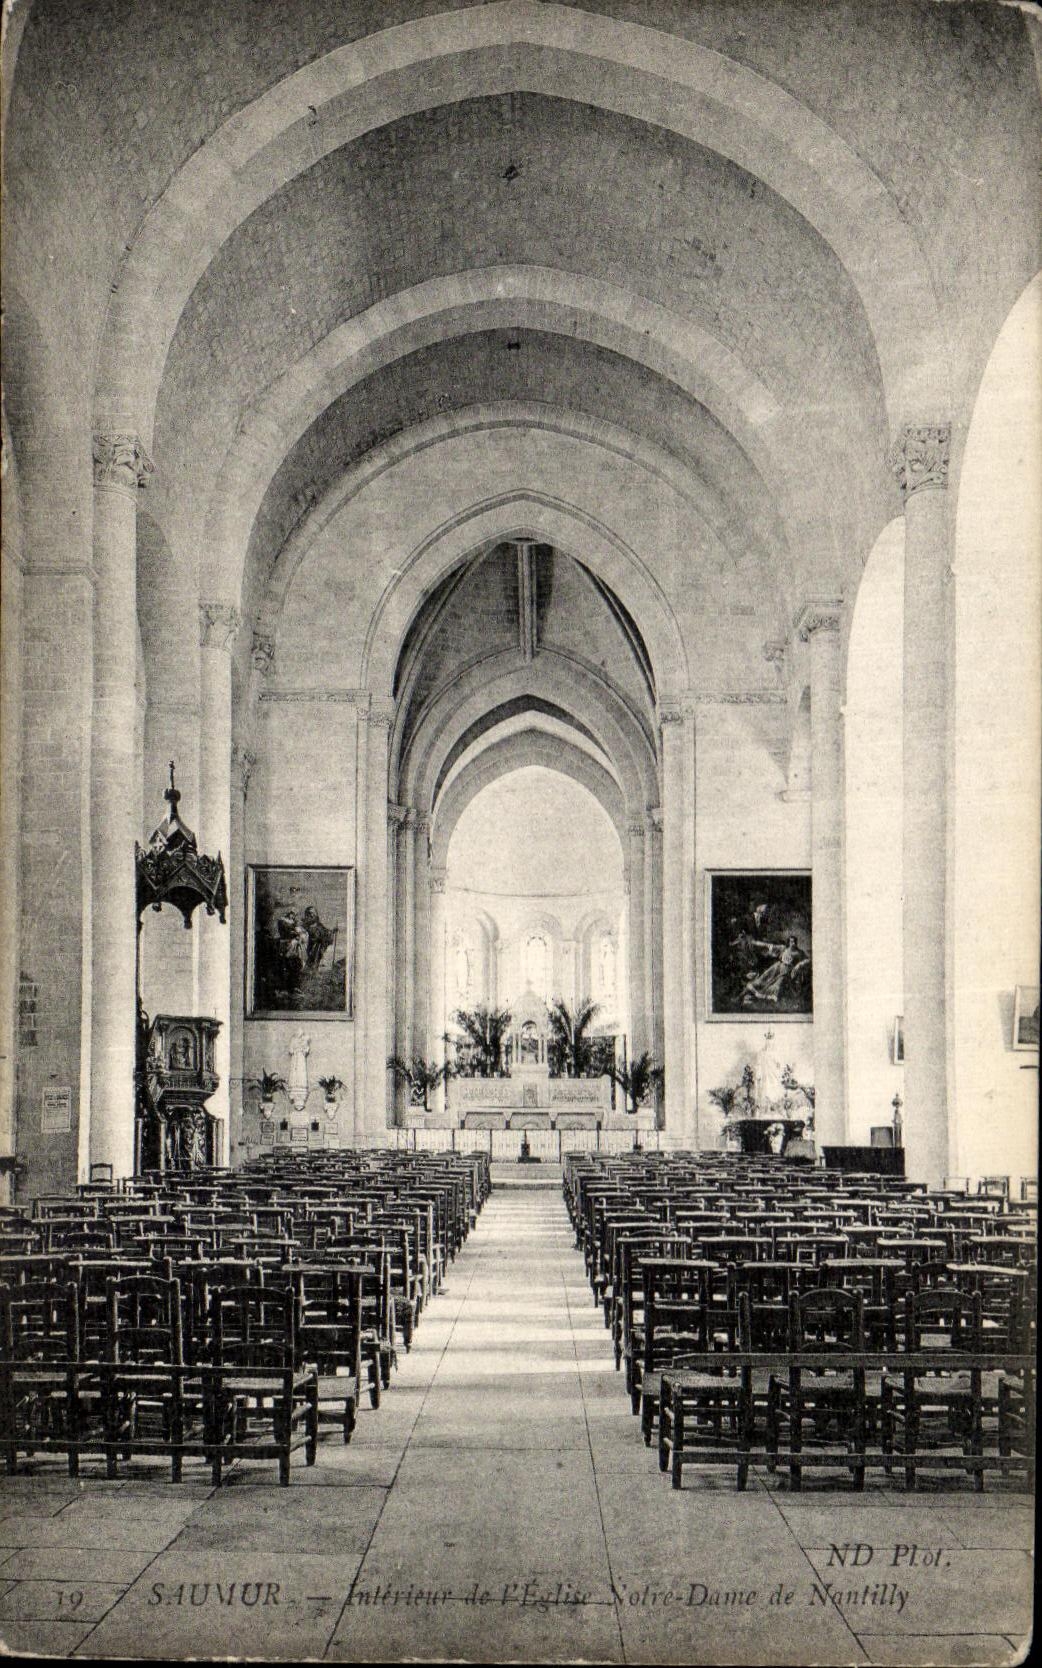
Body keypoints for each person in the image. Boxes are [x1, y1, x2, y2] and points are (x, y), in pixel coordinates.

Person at [741, 935, 810, 1007]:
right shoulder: (783, 948)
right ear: (788, 942)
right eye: (791, 942)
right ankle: (749, 996)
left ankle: (770, 1001)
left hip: (786, 972)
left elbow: (807, 959)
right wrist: (754, 942)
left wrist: (798, 965)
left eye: (795, 942)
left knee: (778, 985)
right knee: (763, 980)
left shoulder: (799, 952)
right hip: (776, 969)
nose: (793, 943)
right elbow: (767, 945)